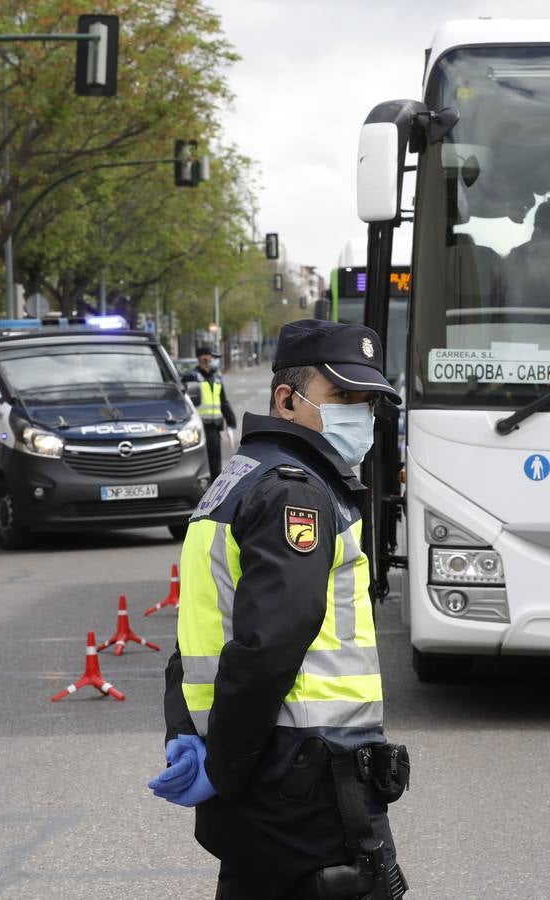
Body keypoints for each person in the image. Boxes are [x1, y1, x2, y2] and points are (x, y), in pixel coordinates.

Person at [151, 320, 409, 899]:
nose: (359, 415)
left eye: (368, 401)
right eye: (341, 396)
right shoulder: (298, 492)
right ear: (286, 400)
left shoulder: (238, 480)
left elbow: (198, 632)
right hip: (307, 785)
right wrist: (223, 765)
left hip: (265, 780)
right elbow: (268, 646)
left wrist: (190, 732)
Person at [182, 346, 236, 478]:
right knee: (199, 466)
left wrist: (231, 421)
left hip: (214, 429)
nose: (214, 360)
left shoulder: (216, 378)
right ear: (203, 358)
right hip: (198, 429)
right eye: (212, 357)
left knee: (215, 466)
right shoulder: (191, 377)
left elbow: (223, 401)